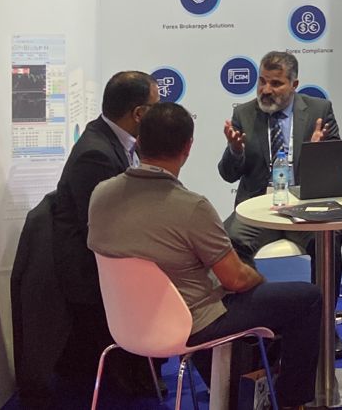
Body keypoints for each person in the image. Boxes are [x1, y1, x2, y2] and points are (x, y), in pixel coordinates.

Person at [89, 102, 322, 410]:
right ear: (188, 147)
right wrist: (258, 279)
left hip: (125, 323)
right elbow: (236, 280)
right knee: (308, 298)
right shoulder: (191, 207)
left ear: (139, 142)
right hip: (190, 323)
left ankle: (235, 388)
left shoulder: (100, 193)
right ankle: (291, 402)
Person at [217, 52, 342, 329]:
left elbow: (335, 169)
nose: (266, 90)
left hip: (305, 207)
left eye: (276, 84)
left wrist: (316, 152)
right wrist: (235, 150)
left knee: (330, 240)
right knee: (229, 242)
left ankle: (323, 326)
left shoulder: (319, 110)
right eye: (262, 81)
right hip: (258, 208)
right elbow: (228, 174)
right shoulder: (243, 114)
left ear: (294, 85)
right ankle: (252, 324)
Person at [52, 70, 160, 396]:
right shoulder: (96, 154)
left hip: (107, 256)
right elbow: (107, 230)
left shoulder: (118, 141)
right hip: (91, 271)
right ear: (138, 113)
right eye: (156, 106)